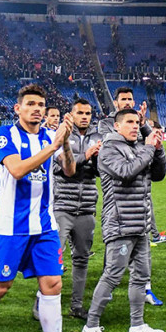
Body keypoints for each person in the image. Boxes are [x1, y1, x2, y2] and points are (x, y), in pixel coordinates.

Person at [0, 84, 88, 332]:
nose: (37, 109)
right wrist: (53, 146)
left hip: (44, 227)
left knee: (53, 286)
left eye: (41, 105)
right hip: (12, 229)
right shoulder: (7, 135)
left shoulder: (49, 136)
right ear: (17, 108)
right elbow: (17, 170)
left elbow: (70, 171)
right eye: (30, 104)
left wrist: (66, 144)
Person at [82, 108, 166, 332]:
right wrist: (149, 148)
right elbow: (126, 172)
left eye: (136, 122)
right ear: (117, 126)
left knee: (141, 276)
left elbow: (159, 175)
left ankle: (137, 325)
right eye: (129, 122)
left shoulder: (138, 147)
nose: (134, 126)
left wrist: (157, 151)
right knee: (112, 275)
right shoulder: (108, 148)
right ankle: (91, 325)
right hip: (119, 224)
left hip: (141, 223)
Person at [97, 86, 165, 305]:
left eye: (130, 99)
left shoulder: (137, 128)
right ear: (116, 103)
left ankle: (145, 295)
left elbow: (155, 164)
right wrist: (145, 138)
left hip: (139, 199)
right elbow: (125, 161)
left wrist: (144, 126)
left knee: (141, 266)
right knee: (113, 269)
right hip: (119, 204)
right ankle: (94, 320)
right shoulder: (107, 127)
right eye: (123, 99)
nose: (127, 102)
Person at [52, 98, 102, 319]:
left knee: (81, 258)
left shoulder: (99, 138)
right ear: (71, 114)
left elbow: (101, 172)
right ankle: (41, 302)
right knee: (52, 257)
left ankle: (77, 305)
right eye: (80, 113)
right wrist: (86, 157)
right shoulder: (61, 135)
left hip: (87, 207)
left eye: (88, 113)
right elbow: (61, 168)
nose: (85, 116)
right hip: (62, 206)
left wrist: (97, 161)